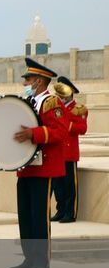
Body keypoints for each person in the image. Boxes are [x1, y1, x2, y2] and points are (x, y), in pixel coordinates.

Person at [11, 58, 68, 268]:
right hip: (26, 166)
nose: (25, 82)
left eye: (29, 79)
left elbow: (59, 132)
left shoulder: (52, 102)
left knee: (39, 216)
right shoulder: (29, 102)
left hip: (44, 168)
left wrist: (33, 134)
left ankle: (41, 261)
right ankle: (29, 257)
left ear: (40, 81)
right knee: (25, 215)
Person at [52, 76, 87, 224]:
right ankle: (60, 211)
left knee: (69, 185)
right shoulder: (57, 108)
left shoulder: (79, 109)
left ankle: (70, 213)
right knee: (58, 184)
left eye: (63, 93)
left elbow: (82, 129)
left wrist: (67, 124)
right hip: (57, 152)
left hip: (69, 153)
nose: (60, 96)